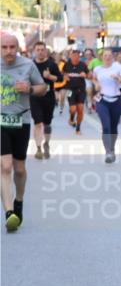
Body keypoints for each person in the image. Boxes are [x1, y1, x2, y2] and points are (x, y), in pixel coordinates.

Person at [1, 32, 47, 232]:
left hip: (21, 121)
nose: (8, 51)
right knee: (5, 166)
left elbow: (43, 88)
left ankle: (18, 202)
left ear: (18, 48)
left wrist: (29, 90)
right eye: (4, 47)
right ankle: (9, 212)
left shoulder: (27, 65)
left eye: (12, 47)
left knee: (19, 169)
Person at [91, 48, 121, 163]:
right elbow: (94, 78)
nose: (107, 57)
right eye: (105, 55)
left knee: (113, 127)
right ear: (101, 57)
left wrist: (117, 78)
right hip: (102, 100)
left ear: (113, 57)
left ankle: (112, 148)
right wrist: (96, 84)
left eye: (109, 55)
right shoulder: (97, 69)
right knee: (106, 126)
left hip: (116, 100)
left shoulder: (118, 67)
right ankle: (108, 152)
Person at [30, 41, 62, 160]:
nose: (40, 52)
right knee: (37, 122)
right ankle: (38, 148)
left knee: (47, 123)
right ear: (34, 51)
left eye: (42, 49)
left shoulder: (51, 64)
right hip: (34, 97)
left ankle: (46, 143)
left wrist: (49, 77)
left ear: (46, 51)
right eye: (38, 50)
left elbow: (60, 78)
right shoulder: (30, 65)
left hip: (48, 97)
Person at [62, 49, 89, 135]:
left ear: (79, 57)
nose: (75, 57)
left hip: (81, 90)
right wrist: (65, 76)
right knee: (73, 109)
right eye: (73, 55)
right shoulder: (66, 65)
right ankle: (71, 119)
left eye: (77, 56)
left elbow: (89, 75)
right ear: (70, 56)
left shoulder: (83, 65)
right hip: (70, 90)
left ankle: (78, 128)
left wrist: (85, 75)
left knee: (80, 109)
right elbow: (62, 73)